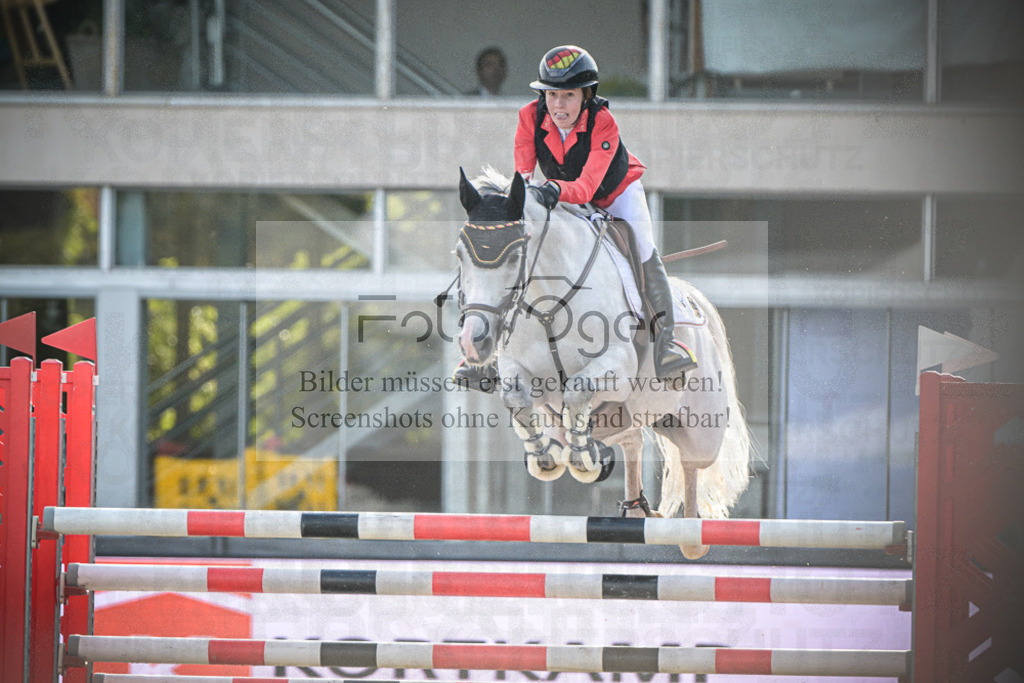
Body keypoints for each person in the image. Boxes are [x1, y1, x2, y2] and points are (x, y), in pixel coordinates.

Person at [454, 45, 696, 392]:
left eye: (568, 96)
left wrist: (550, 190)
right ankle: (486, 355)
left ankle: (666, 343)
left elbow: (585, 189)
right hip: (558, 192)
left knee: (643, 249)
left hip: (615, 194)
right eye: (551, 95)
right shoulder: (528, 117)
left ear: (587, 96)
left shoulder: (603, 122)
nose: (558, 105)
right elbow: (522, 174)